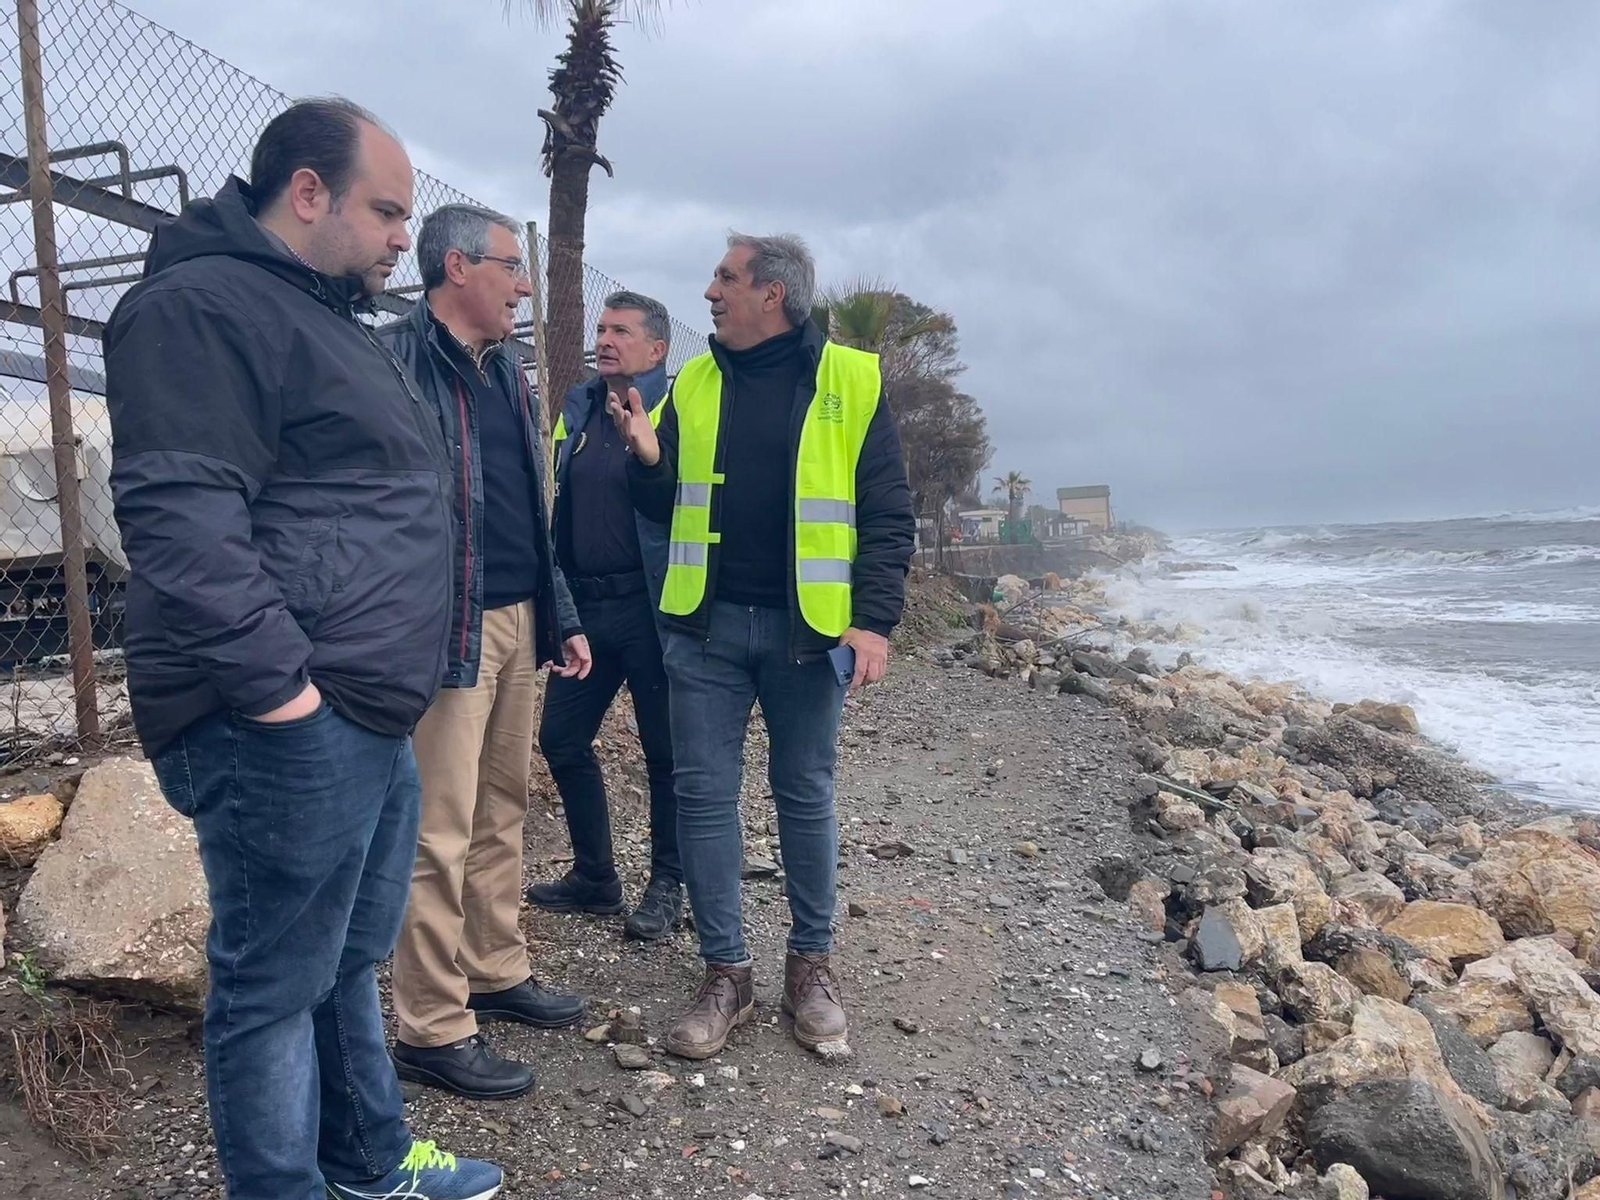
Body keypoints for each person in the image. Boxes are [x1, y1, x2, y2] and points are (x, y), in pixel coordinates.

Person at [105, 98, 503, 1200]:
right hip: (278, 720)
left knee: (342, 968)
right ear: (308, 192)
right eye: (385, 211)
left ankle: (367, 1163)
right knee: (271, 987)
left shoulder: (323, 315)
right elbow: (183, 521)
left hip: (364, 714)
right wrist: (285, 698)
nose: (397, 240)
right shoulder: (199, 308)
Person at [611, 233, 916, 1059]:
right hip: (704, 629)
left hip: (807, 635)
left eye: (725, 277)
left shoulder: (851, 379)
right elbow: (658, 494)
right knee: (704, 795)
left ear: (773, 293)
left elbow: (887, 513)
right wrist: (643, 455)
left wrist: (874, 621)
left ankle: (810, 968)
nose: (709, 291)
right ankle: (726, 974)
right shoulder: (696, 380)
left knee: (804, 794)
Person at [380, 204, 591, 1101]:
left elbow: (524, 511)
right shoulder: (393, 360)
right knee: (439, 826)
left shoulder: (507, 371)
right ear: (459, 267)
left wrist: (561, 612)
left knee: (503, 806)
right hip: (443, 625)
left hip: (515, 618)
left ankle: (495, 969)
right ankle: (430, 1024)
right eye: (513, 265)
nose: (525, 283)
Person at [525, 292, 683, 940]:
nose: (605, 338)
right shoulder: (580, 409)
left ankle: (669, 881)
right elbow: (559, 511)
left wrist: (649, 451)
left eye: (621, 329)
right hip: (587, 610)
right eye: (600, 327)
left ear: (657, 349)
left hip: (651, 610)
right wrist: (560, 606)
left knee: (665, 753)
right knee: (561, 739)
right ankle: (596, 877)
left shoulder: (675, 411)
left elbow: (680, 501)